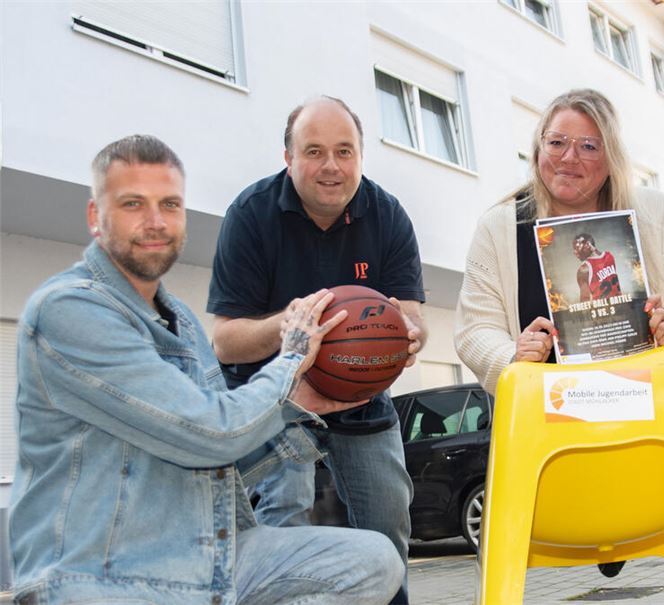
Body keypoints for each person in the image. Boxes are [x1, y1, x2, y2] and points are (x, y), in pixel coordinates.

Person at [8, 135, 404, 604]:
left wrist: (302, 405)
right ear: (96, 217)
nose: (156, 221)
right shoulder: (69, 311)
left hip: (207, 556)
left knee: (374, 560)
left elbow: (222, 463)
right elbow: (208, 433)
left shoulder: (184, 326)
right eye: (133, 203)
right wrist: (293, 356)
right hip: (104, 571)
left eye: (170, 204)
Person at [455, 87, 664, 577]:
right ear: (537, 151)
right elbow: (474, 329)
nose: (569, 158)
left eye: (589, 146)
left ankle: (616, 531)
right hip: (549, 431)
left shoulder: (654, 212)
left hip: (648, 422)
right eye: (556, 143)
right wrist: (512, 356)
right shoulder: (498, 228)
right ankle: (602, 531)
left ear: (611, 158)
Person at [207, 96, 425, 604]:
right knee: (283, 522)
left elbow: (411, 316)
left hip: (359, 393)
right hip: (276, 396)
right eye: (315, 151)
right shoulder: (251, 214)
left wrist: (411, 336)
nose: (331, 166)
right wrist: (297, 325)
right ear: (288, 157)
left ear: (361, 156)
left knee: (389, 524)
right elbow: (224, 340)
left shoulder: (387, 215)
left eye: (344, 151)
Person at [573, 232, 621, 302]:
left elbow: (585, 300)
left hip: (604, 309)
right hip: (621, 304)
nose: (575, 252)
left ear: (587, 244)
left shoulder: (584, 269)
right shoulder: (609, 256)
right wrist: (593, 249)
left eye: (576, 247)